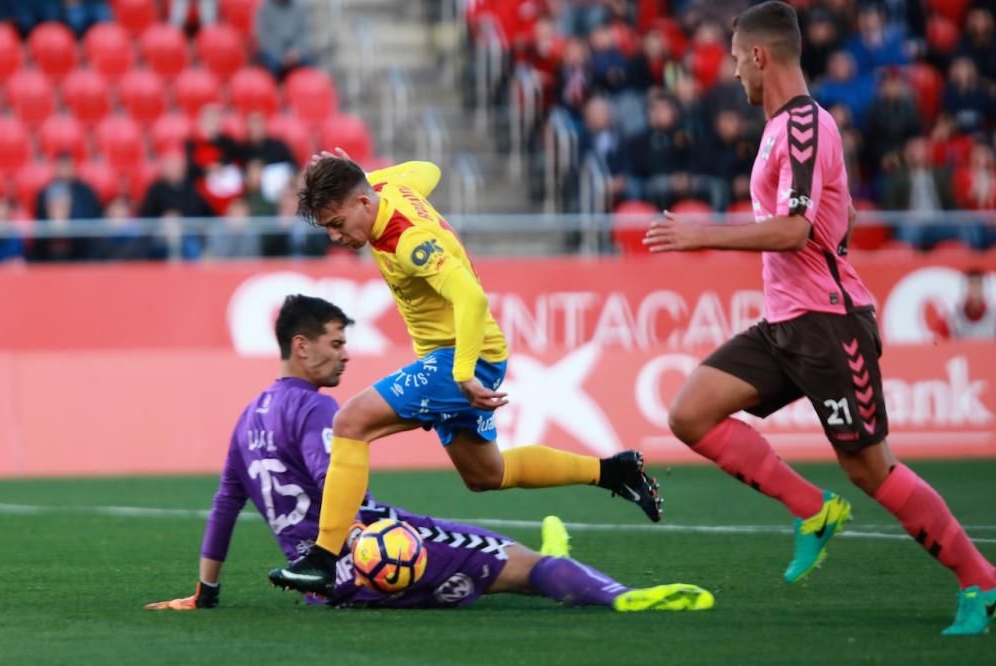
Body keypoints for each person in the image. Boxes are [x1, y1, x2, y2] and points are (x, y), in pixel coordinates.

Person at [642, 1, 996, 636]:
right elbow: (838, 218)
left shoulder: (804, 125)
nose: (732, 77)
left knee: (870, 468)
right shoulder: (784, 129)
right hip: (786, 322)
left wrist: (703, 234)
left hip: (829, 325)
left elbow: (795, 228)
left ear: (759, 56)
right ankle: (812, 510)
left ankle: (982, 581)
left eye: (735, 62)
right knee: (689, 412)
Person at [145, 295, 712, 613]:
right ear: (302, 346)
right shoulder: (322, 413)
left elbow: (224, 506)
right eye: (336, 344)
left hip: (327, 591)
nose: (345, 357)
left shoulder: (248, 418)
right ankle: (626, 598)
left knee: (497, 518)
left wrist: (206, 593)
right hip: (374, 555)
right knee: (529, 568)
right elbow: (345, 493)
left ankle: (568, 531)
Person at [268, 152, 662, 597]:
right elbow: (429, 170)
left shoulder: (407, 241)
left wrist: (461, 374)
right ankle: (612, 471)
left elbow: (471, 299)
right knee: (485, 474)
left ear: (362, 203)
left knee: (349, 424)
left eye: (338, 223)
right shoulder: (391, 191)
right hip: (470, 355)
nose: (336, 236)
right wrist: (356, 175)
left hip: (461, 358)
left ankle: (324, 557)